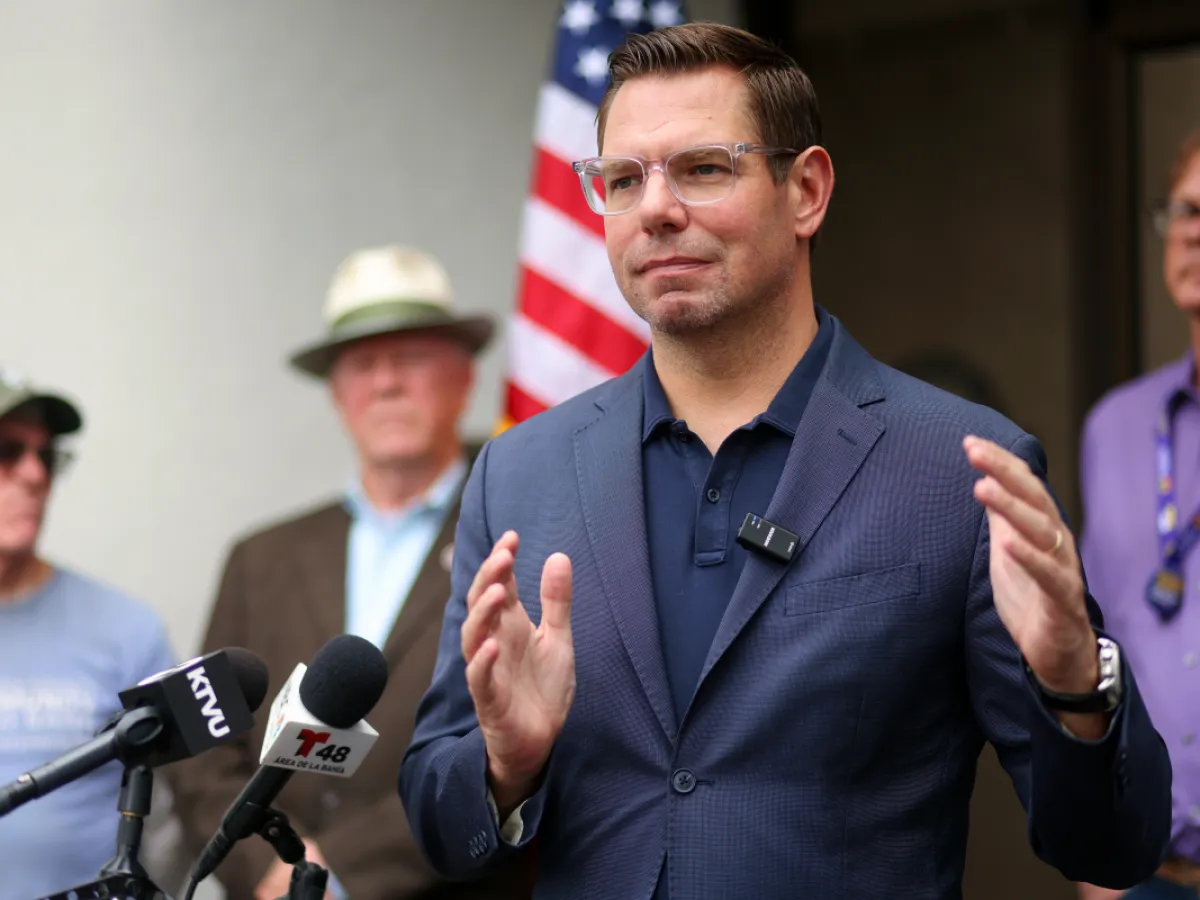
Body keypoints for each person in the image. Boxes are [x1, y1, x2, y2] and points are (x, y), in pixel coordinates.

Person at [399, 23, 1172, 899]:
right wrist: (506, 764)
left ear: (806, 190)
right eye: (623, 179)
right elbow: (438, 823)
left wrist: (1074, 684)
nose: (655, 209)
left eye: (703, 168)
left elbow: (1113, 848)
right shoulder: (519, 472)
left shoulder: (957, 471)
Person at [165, 246, 531, 900]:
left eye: (409, 358)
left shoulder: (520, 536)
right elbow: (203, 745)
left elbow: (513, 742)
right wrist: (270, 866)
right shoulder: (260, 558)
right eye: (362, 365)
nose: (386, 383)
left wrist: (337, 874)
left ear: (464, 379)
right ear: (337, 394)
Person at [0, 366, 180, 900]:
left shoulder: (127, 629)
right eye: (7, 451)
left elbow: (172, 818)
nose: (35, 475)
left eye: (47, 456)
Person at [1077, 128, 1200, 899]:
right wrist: (1100, 861)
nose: (1193, 231)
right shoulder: (1115, 428)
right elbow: (1096, 649)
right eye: (1184, 210)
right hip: (1147, 876)